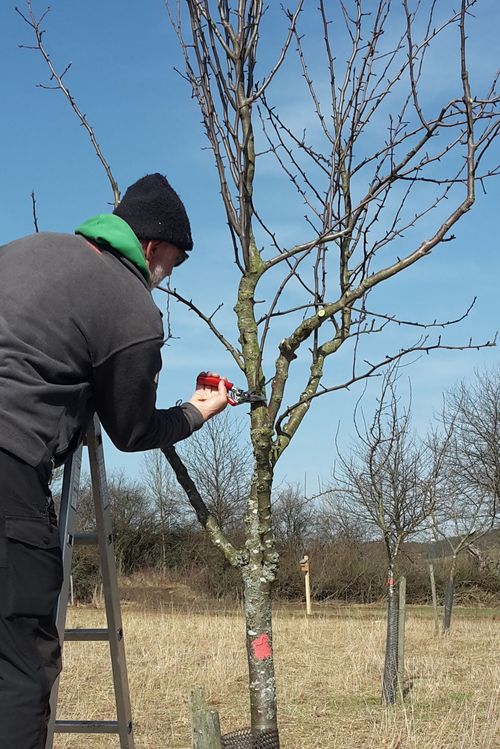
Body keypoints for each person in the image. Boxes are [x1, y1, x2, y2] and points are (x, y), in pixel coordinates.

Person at [0, 173, 228, 748]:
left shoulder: (25, 250)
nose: (170, 275)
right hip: (8, 468)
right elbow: (130, 429)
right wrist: (197, 412)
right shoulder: (131, 307)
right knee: (20, 661)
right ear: (151, 246)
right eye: (173, 261)